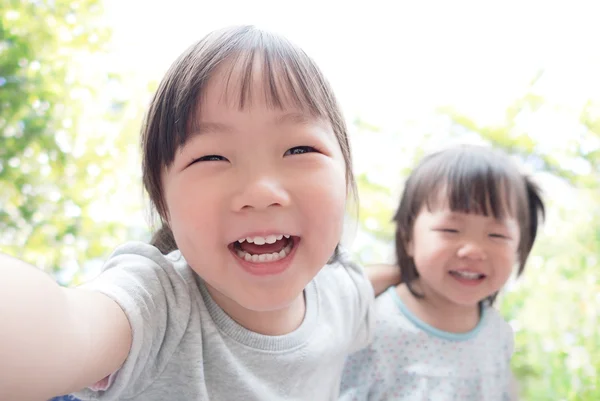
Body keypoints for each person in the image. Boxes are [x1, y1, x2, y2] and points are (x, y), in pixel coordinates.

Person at [0, 25, 376, 401]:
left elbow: (370, 282)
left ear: (345, 177)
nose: (261, 192)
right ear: (164, 204)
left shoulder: (342, 293)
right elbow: (65, 328)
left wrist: (406, 271)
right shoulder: (157, 308)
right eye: (212, 157)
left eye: (299, 150)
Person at [340, 144, 545, 400]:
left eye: (497, 235)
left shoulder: (497, 332)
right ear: (408, 238)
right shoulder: (374, 327)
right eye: (450, 230)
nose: (473, 250)